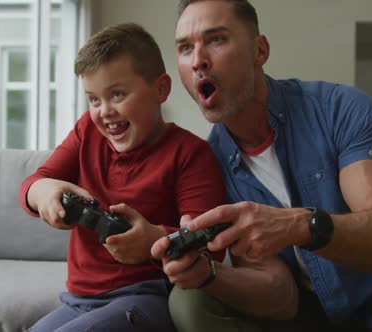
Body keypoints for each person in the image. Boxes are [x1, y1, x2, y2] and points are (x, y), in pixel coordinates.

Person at [150, 1, 372, 331]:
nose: (198, 60)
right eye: (185, 48)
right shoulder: (207, 164)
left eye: (216, 40)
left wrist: (299, 225)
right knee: (189, 302)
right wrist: (209, 275)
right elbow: (282, 297)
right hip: (305, 314)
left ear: (260, 50)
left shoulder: (341, 109)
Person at [19, 22, 226, 332]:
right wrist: (42, 191)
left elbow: (212, 246)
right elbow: (34, 183)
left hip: (148, 298)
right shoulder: (86, 132)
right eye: (93, 99)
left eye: (117, 94)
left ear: (160, 89)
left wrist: (154, 241)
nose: (104, 111)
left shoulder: (190, 154)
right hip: (79, 299)